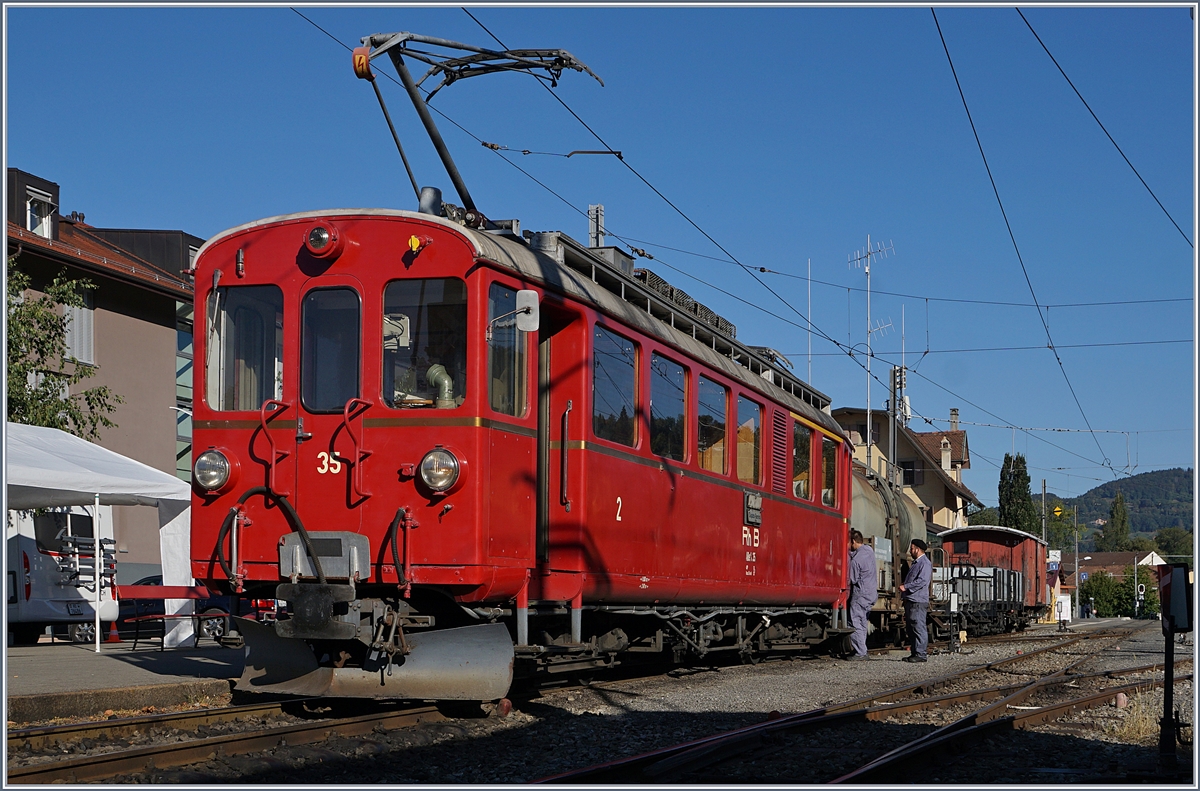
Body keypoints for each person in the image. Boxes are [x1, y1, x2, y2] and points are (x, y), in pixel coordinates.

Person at [847, 529, 878, 661]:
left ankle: (861, 652)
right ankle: (862, 649)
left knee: (853, 622)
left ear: (853, 541)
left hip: (861, 594)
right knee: (862, 622)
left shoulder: (856, 561)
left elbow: (852, 580)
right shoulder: (869, 551)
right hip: (872, 593)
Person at [898, 538, 931, 662]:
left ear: (917, 549)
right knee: (912, 627)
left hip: (918, 600)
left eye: (911, 548)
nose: (910, 551)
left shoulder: (924, 563)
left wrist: (906, 586)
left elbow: (922, 581)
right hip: (912, 599)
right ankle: (915, 652)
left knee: (918, 626)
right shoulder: (917, 563)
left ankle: (921, 654)